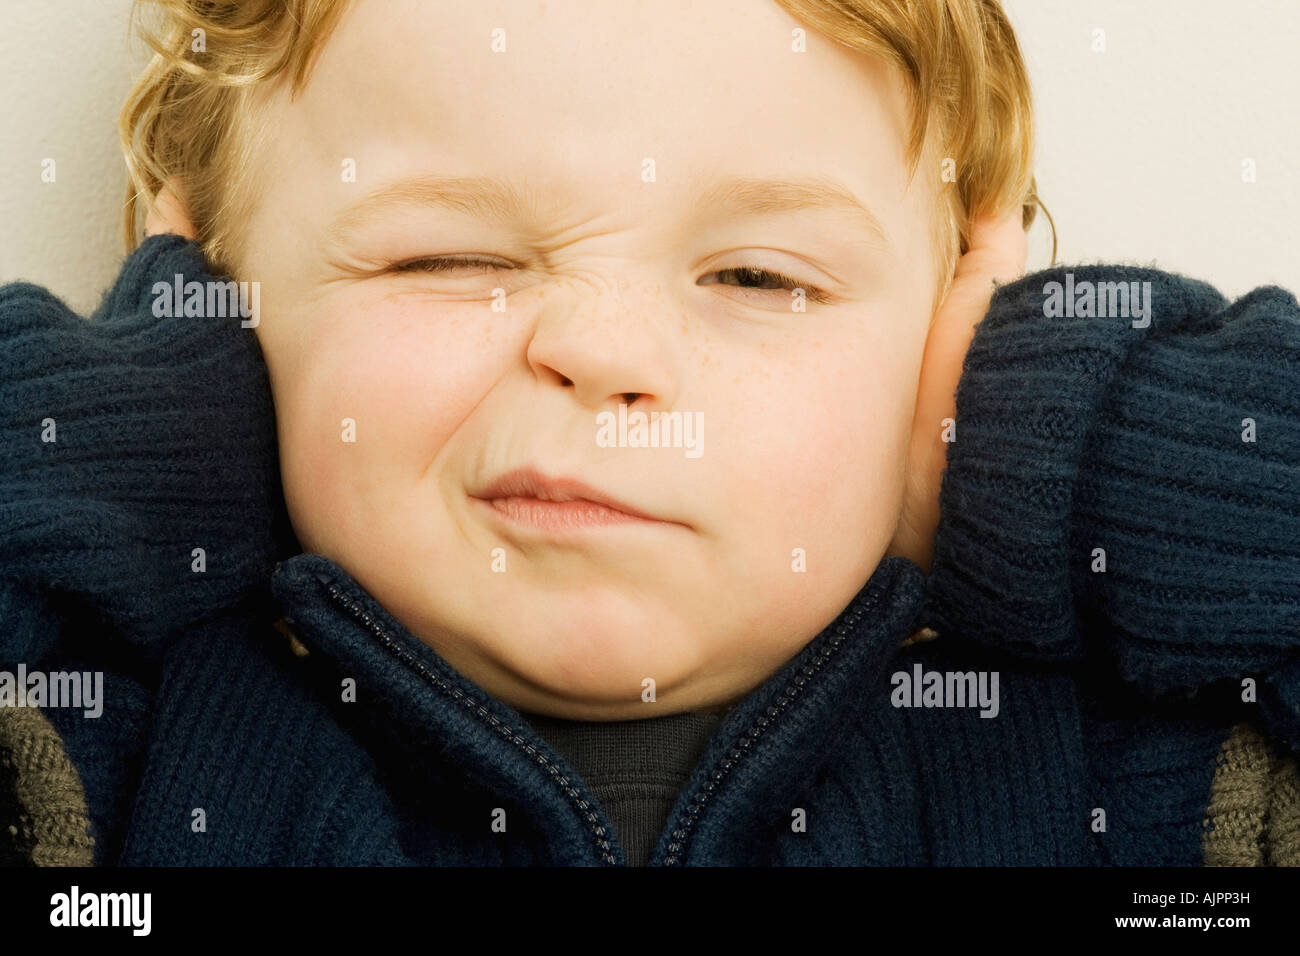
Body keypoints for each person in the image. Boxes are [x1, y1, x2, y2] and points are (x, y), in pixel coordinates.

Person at [1, 0, 1297, 866]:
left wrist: (1067, 452)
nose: (606, 352)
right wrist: (133, 449)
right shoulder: (99, 772)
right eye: (446, 256)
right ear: (206, 297)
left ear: (958, 322)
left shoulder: (1146, 803)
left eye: (759, 279)